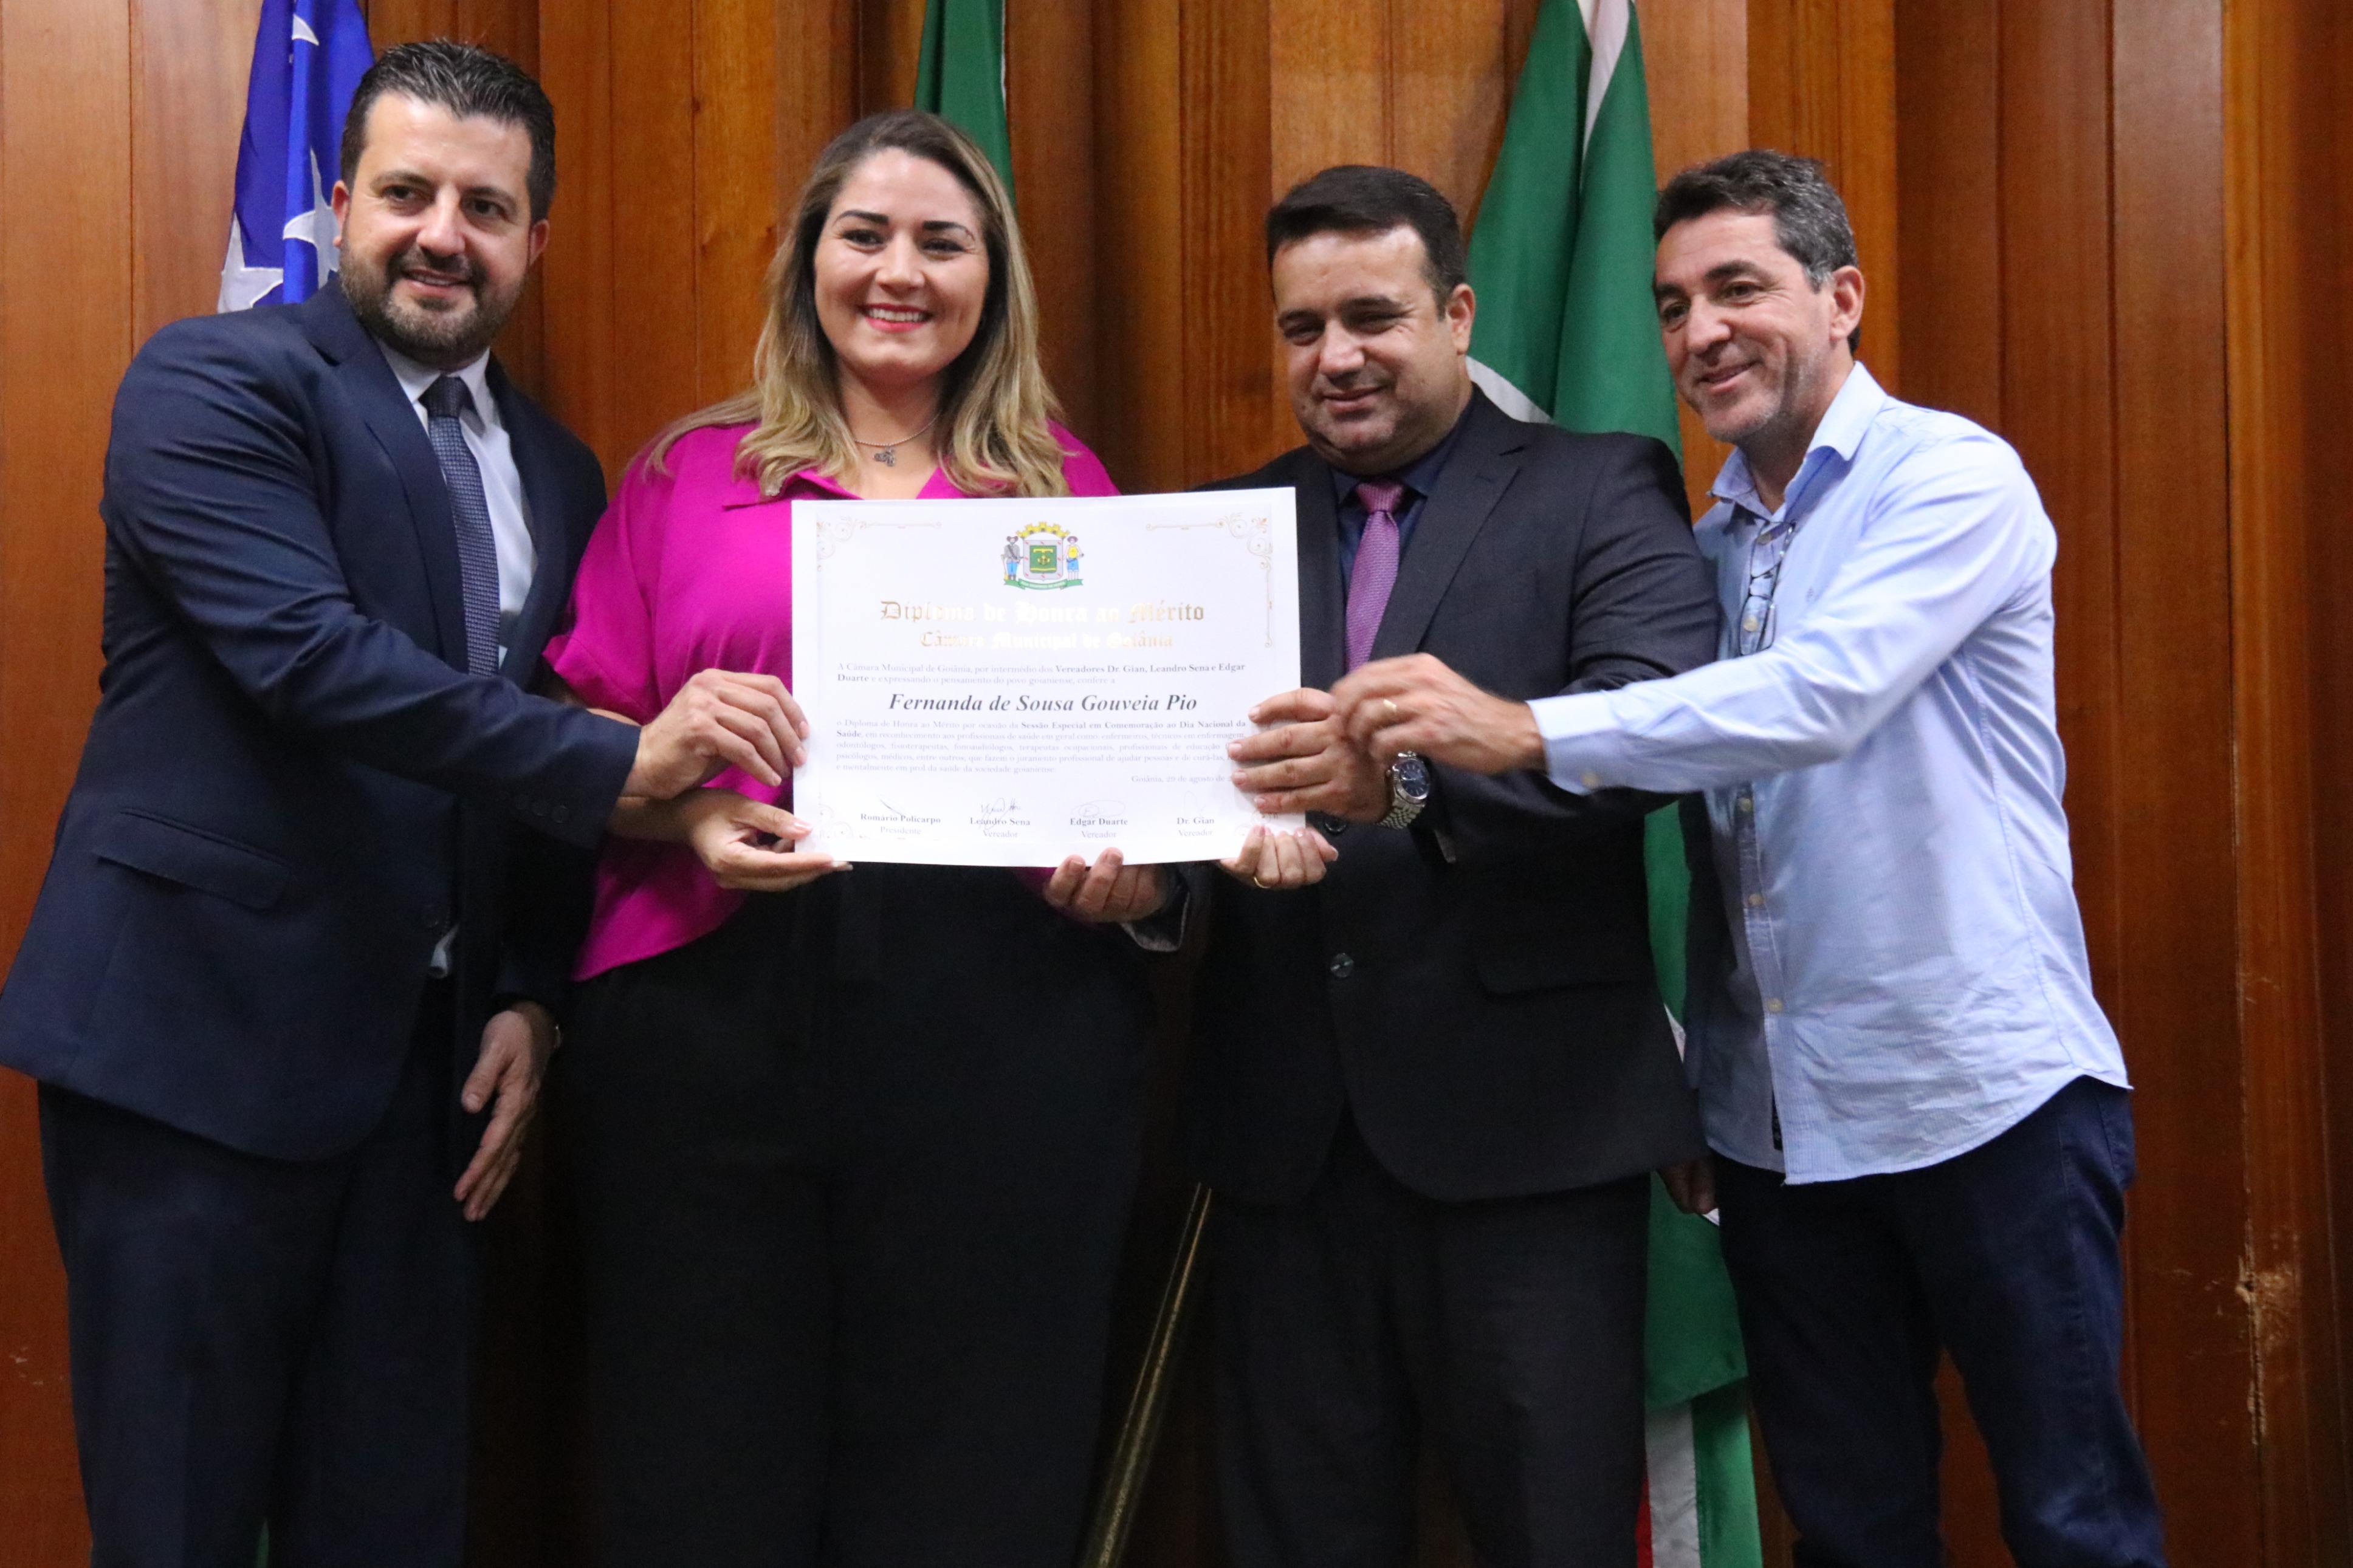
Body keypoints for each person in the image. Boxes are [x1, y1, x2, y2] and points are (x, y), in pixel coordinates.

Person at [0, 41, 800, 1568]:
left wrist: (530, 993)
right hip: (194, 1057)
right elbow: (308, 658)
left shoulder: (561, 473)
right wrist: (621, 768)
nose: (444, 234)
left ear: (535, 241)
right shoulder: (213, 381)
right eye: (408, 194)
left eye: (485, 208)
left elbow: (522, 738)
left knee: (392, 1524)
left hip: (429, 1101)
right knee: (172, 1522)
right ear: (341, 201)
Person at [1334, 150, 2167, 1567]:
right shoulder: (1706, 542)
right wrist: (1697, 1077)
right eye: (1671, 306)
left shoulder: (1950, 477)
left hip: (1985, 1101)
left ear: (1841, 297)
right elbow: (1703, 835)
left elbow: (1815, 701)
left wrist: (1519, 727)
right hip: (1776, 1132)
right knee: (1847, 1526)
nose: (1699, 332)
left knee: (2073, 1516)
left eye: (1737, 289)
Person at [544, 109, 1243, 1568]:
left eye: (942, 241)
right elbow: (572, 738)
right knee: (698, 1448)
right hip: (707, 1003)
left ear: (994, 276)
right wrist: (683, 800)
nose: (899, 272)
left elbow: (1146, 783)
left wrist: (1129, 878)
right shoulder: (687, 473)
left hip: (1001, 1017)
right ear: (809, 260)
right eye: (863, 235)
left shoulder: (1066, 493)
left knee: (975, 1460)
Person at [1194, 165, 1720, 1568]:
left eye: (1373, 317)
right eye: (1302, 328)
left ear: (1459, 314)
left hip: (1532, 1139)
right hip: (1285, 1147)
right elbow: (1181, 790)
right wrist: (1140, 895)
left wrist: (1418, 791)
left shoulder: (1600, 485)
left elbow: (1652, 733)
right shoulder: (1220, 531)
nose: (1336, 357)